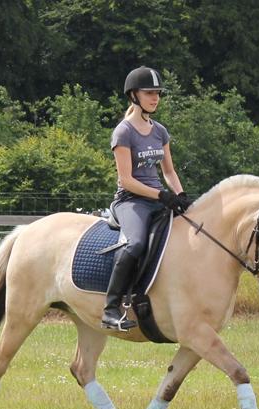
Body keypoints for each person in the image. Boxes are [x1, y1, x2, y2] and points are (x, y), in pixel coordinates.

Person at [101, 66, 193, 332]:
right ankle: (110, 308)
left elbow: (169, 171)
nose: (155, 98)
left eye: (158, 93)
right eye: (149, 93)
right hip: (131, 201)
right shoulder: (123, 132)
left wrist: (181, 195)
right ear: (134, 95)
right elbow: (127, 180)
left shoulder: (160, 131)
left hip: (159, 199)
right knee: (135, 243)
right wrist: (161, 195)